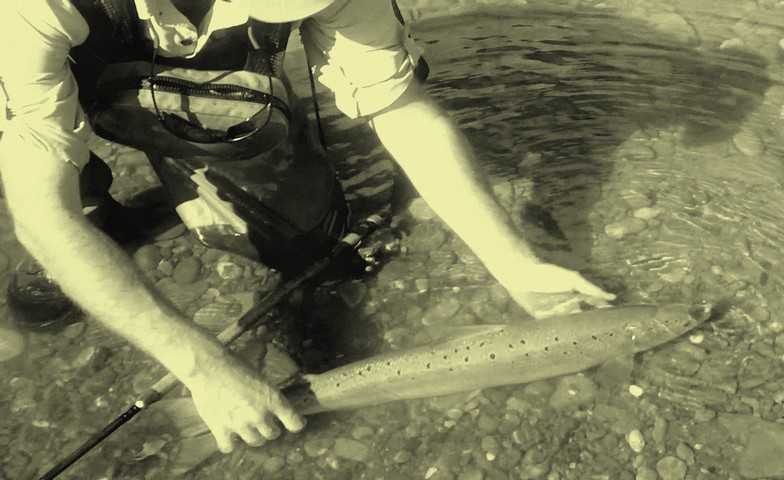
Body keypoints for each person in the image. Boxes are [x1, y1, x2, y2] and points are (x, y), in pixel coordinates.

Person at [0, 0, 615, 455]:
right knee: (59, 213)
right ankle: (98, 211)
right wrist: (203, 365)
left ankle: (183, 156)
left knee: (311, 239)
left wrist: (515, 263)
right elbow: (39, 211)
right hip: (36, 63)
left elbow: (401, 111)